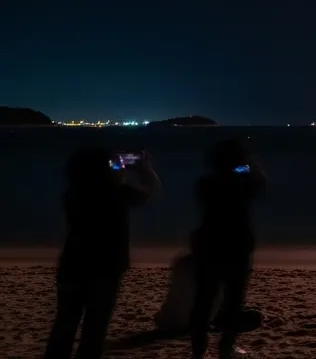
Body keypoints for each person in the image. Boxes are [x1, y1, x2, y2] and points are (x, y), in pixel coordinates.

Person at [45, 147, 161, 359]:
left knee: (64, 325)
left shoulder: (73, 194)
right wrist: (145, 168)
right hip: (105, 269)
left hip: (72, 265)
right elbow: (150, 190)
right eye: (113, 165)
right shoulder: (118, 195)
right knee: (95, 329)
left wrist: (117, 169)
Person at [188, 139, 266, 358]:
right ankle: (225, 347)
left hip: (209, 244)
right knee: (233, 299)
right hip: (236, 245)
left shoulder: (206, 183)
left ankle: (198, 349)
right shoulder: (243, 183)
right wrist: (252, 165)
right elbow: (261, 184)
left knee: (204, 299)